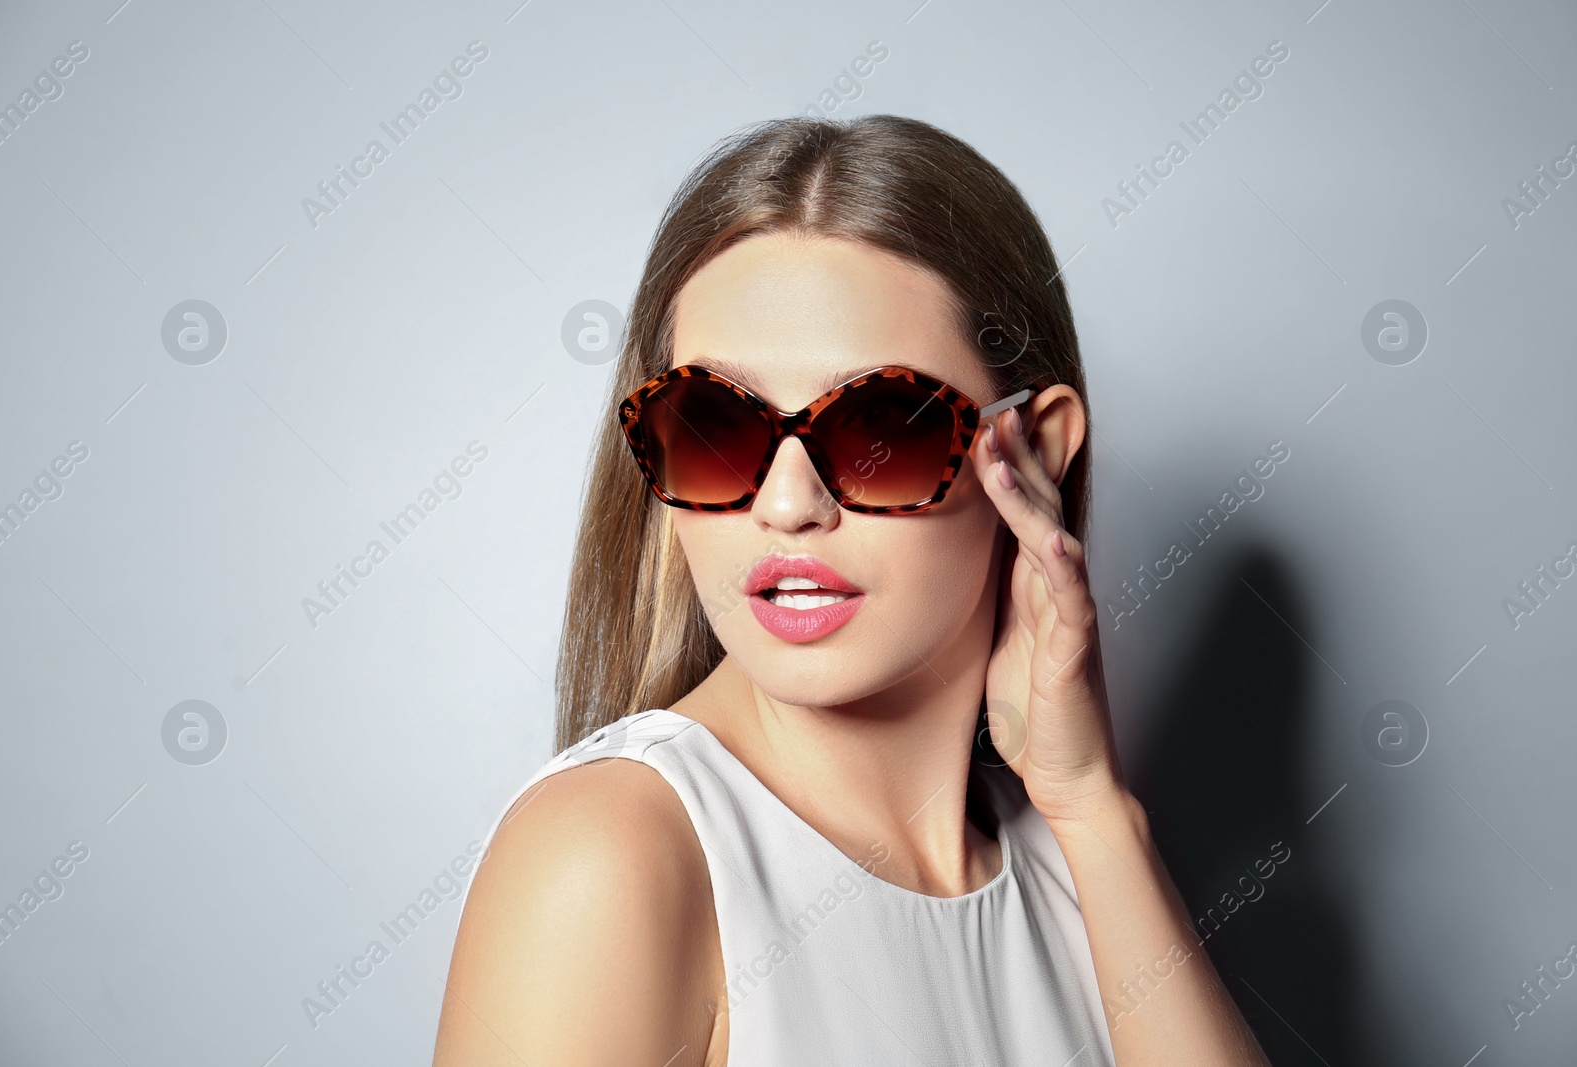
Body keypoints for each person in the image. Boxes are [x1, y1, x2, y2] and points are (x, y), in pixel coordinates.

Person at [433, 114, 1271, 1066]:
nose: (788, 504)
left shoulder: (1076, 861)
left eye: (883, 427)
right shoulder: (610, 858)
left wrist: (1092, 806)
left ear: (1032, 452)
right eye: (711, 423)